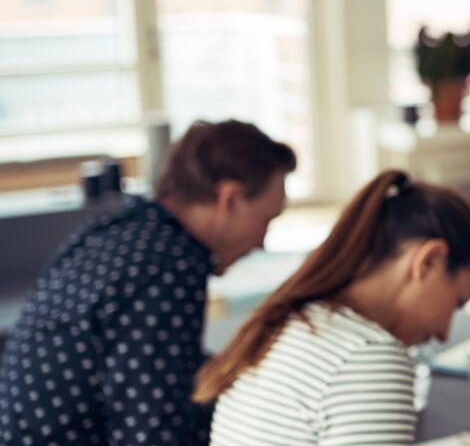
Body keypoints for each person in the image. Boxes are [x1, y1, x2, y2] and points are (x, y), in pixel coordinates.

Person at [0, 119, 296, 445]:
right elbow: (154, 432)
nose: (261, 242)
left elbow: (160, 370)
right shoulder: (165, 268)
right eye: (265, 220)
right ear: (230, 198)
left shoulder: (123, 229)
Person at [196, 169, 470, 446]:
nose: (444, 333)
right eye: (456, 303)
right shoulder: (368, 357)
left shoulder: (289, 321)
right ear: (429, 261)